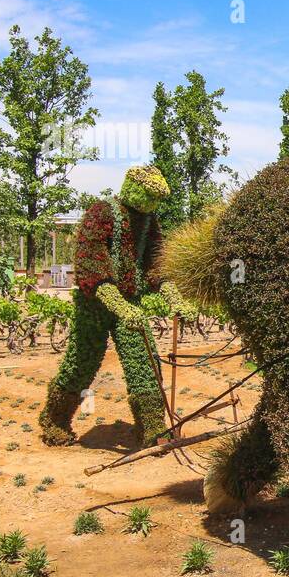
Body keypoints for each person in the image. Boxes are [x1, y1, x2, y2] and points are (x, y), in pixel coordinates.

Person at [38, 165, 196, 447]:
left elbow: (155, 263)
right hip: (95, 306)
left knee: (145, 365)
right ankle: (55, 421)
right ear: (133, 188)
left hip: (131, 305)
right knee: (80, 365)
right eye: (149, 196)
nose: (153, 204)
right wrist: (119, 305)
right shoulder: (101, 213)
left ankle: (151, 430)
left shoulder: (149, 222)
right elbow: (91, 264)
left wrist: (175, 298)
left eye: (157, 199)